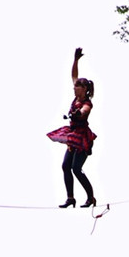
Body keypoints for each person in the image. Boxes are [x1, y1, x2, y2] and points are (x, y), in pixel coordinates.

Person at [46, 48, 97, 208]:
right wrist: (75, 61)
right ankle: (70, 198)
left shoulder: (86, 103)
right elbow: (74, 76)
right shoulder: (76, 98)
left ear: (84, 89)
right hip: (73, 136)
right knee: (65, 166)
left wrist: (78, 113)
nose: (74, 88)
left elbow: (84, 111)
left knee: (76, 168)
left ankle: (91, 197)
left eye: (77, 87)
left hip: (82, 138)